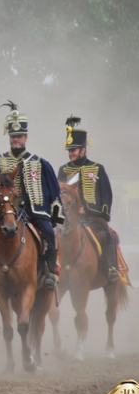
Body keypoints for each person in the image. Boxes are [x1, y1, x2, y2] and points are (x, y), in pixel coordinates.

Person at [0, 101, 64, 290]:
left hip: (33, 211)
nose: (16, 139)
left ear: (26, 137)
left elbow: (53, 192)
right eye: (13, 136)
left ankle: (50, 272)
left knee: (49, 234)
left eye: (19, 136)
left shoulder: (39, 163)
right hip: (4, 211)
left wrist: (54, 215)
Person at [57, 117, 122, 284]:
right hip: (70, 218)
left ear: (83, 150)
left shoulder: (97, 168)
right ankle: (52, 268)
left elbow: (106, 194)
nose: (70, 153)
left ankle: (111, 268)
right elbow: (59, 195)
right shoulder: (63, 170)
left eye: (73, 150)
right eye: (69, 150)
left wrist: (96, 213)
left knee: (108, 236)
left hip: (94, 217)